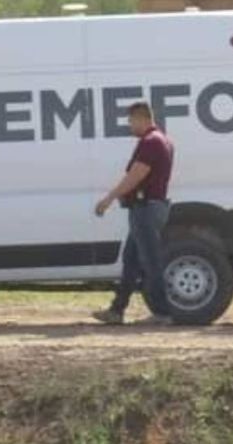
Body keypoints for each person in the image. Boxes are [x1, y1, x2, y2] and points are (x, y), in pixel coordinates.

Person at [92, 102, 175, 325]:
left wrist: (109, 198)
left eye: (131, 121)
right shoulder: (162, 140)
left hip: (146, 210)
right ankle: (117, 310)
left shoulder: (151, 142)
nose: (130, 127)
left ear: (141, 118)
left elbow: (136, 175)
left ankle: (162, 313)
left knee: (150, 261)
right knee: (130, 260)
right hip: (149, 208)